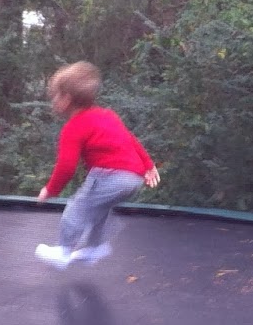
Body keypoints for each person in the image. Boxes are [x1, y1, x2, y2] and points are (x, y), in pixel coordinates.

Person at [34, 61, 160, 268]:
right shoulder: (108, 115)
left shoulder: (74, 127)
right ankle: (95, 247)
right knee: (98, 208)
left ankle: (64, 251)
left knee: (78, 207)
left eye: (55, 96)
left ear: (66, 99)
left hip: (110, 176)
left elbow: (66, 166)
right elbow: (130, 139)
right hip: (134, 179)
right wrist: (148, 165)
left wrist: (50, 190)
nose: (53, 101)